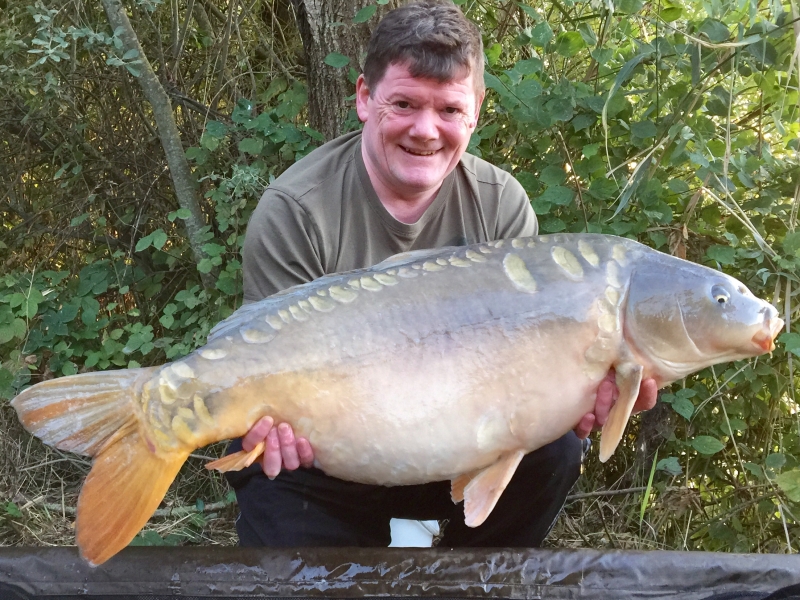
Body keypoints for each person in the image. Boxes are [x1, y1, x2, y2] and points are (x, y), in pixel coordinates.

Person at [224, 0, 657, 548]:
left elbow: (524, 372)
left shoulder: (502, 206)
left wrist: (585, 387)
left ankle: (470, 575)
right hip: (329, 455)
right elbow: (261, 369)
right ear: (364, 98)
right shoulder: (297, 210)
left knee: (555, 448)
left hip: (454, 447)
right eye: (404, 103)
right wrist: (272, 423)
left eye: (449, 110)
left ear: (476, 111)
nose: (425, 131)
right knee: (273, 478)